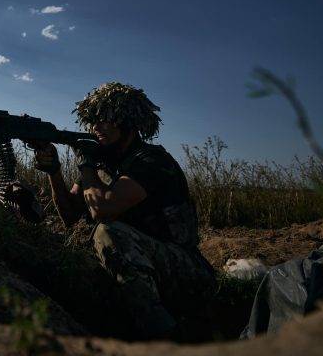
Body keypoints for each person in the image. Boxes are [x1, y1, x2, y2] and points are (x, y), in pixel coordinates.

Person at [31, 82, 215, 339]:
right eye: (93, 120)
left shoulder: (151, 161)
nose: (96, 126)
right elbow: (71, 218)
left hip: (186, 273)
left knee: (107, 232)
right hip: (144, 265)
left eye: (105, 118)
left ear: (128, 121)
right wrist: (54, 172)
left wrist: (86, 165)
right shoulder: (102, 164)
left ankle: (164, 336)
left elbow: (103, 211)